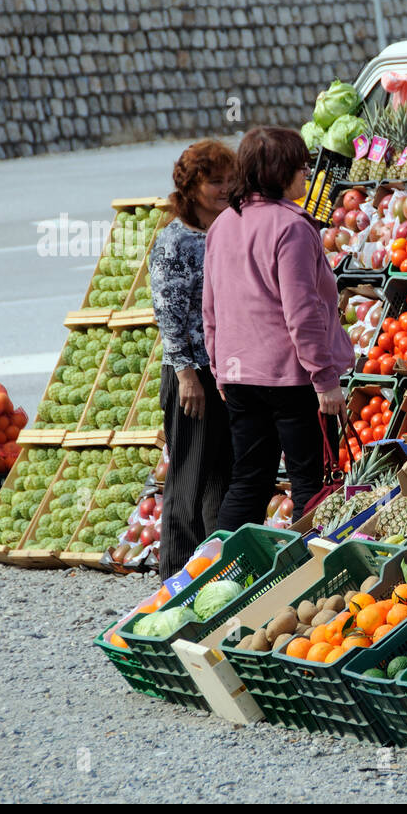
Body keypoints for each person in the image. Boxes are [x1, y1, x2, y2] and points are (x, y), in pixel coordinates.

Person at [203, 127, 354, 529]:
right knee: (311, 484)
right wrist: (325, 380)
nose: (306, 174)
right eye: (301, 167)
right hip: (291, 378)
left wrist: (220, 368)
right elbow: (300, 311)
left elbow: (212, 306)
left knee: (249, 481)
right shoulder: (292, 227)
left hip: (238, 375)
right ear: (279, 171)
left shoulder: (222, 225)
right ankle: (308, 579)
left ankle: (221, 573)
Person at [148, 140, 237, 578]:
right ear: (191, 186)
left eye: (228, 180)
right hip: (192, 374)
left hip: (226, 371)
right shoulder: (175, 240)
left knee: (220, 477)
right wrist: (186, 375)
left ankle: (212, 573)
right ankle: (173, 582)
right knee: (188, 478)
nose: (225, 189)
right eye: (214, 181)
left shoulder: (227, 229)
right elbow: (168, 313)